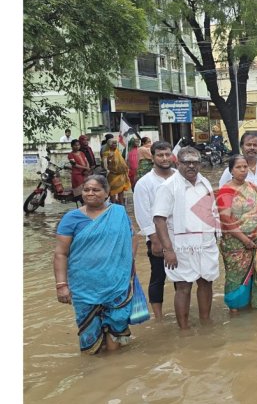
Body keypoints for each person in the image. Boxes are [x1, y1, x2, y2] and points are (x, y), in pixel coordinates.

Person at [53, 175, 136, 354]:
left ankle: (113, 371)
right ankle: (94, 370)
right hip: (85, 286)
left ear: (107, 193)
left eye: (96, 190)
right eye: (86, 189)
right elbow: (61, 253)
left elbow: (131, 239)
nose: (90, 193)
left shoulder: (118, 213)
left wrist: (127, 268)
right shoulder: (71, 218)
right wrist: (61, 285)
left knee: (116, 328)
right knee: (90, 333)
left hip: (116, 283)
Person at [152, 146, 221, 329]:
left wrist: (216, 236)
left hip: (205, 243)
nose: (191, 166)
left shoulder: (204, 182)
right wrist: (168, 250)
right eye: (186, 162)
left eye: (195, 162)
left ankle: (205, 322)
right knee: (183, 286)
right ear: (178, 163)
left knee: (206, 281)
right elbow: (159, 220)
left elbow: (210, 212)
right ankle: (184, 329)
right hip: (180, 246)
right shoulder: (168, 186)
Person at [217, 155, 257, 311]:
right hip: (235, 244)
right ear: (231, 170)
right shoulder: (225, 191)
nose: (243, 170)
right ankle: (235, 308)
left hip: (255, 241)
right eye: (238, 167)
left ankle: (254, 307)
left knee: (256, 276)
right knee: (235, 278)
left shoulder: (253, 188)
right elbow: (226, 219)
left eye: (245, 166)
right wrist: (244, 239)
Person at [219, 132, 257, 277]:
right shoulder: (229, 172)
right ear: (242, 147)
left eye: (255, 145)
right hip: (238, 229)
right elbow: (222, 204)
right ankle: (243, 297)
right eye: (248, 144)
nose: (252, 148)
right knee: (240, 264)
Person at [132, 140, 175, 321]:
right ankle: (158, 317)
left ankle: (182, 311)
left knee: (183, 277)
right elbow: (142, 213)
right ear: (153, 157)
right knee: (158, 275)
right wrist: (155, 239)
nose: (164, 158)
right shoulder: (144, 183)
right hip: (158, 237)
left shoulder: (179, 177)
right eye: (160, 155)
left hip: (181, 235)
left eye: (167, 154)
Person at [101, 137, 131, 205]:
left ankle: (121, 205)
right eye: (114, 143)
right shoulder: (106, 153)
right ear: (109, 145)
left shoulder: (117, 151)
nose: (115, 145)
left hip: (121, 175)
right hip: (113, 175)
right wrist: (107, 163)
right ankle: (113, 205)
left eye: (116, 143)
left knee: (121, 191)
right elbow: (104, 165)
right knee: (112, 192)